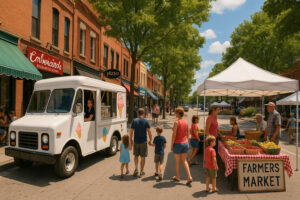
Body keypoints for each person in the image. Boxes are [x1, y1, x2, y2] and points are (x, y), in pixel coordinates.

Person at [171, 107, 193, 185]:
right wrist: (186, 141)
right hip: (185, 143)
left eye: (175, 113)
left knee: (177, 161)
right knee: (184, 161)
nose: (175, 114)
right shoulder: (186, 122)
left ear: (178, 113)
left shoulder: (176, 122)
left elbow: (174, 135)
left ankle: (177, 176)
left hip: (178, 143)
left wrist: (171, 144)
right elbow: (188, 134)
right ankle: (189, 176)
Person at [129, 108, 152, 177]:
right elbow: (149, 131)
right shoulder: (146, 121)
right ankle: (141, 171)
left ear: (138, 113)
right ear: (144, 113)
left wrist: (131, 139)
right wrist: (150, 140)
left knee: (136, 155)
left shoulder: (134, 121)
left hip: (136, 141)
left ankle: (136, 168)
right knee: (143, 157)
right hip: (143, 141)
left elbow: (131, 131)